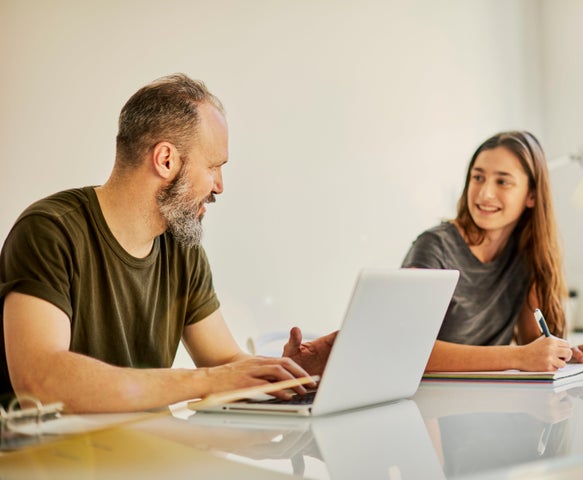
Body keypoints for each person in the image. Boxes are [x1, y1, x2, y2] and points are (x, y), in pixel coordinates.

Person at [0, 73, 335, 413]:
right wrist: (200, 381)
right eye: (213, 167)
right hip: (48, 459)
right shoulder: (48, 232)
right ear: (165, 160)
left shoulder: (182, 248)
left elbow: (225, 365)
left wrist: (293, 375)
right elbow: (40, 380)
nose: (219, 186)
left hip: (146, 451)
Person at [402, 130, 583, 373]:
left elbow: (531, 344)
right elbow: (407, 349)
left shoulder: (526, 253)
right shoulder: (433, 247)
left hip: (486, 401)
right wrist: (517, 357)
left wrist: (566, 354)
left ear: (531, 195)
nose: (484, 193)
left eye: (502, 181)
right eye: (478, 178)